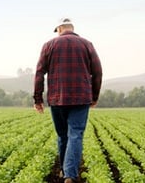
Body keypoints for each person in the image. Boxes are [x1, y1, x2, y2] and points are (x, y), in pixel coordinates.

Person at [34, 18, 103, 183]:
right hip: (81, 98)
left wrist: (38, 99)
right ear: (72, 28)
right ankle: (69, 174)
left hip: (57, 98)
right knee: (75, 135)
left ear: (59, 29)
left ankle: (67, 171)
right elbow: (98, 72)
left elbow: (39, 73)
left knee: (63, 136)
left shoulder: (49, 45)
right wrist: (94, 96)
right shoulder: (87, 44)